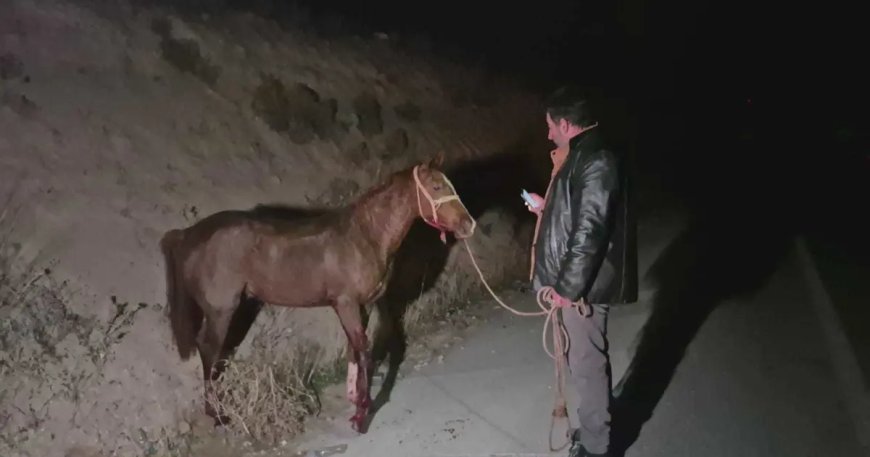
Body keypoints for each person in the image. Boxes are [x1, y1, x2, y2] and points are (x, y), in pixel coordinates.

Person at [525, 86, 638, 457]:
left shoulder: (596, 158)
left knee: (587, 363)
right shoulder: (582, 155)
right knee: (581, 360)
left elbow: (590, 229)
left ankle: (597, 446)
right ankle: (594, 429)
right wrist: (547, 207)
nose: (548, 133)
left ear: (565, 123)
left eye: (550, 125)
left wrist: (569, 288)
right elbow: (578, 213)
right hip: (578, 284)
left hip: (584, 288)